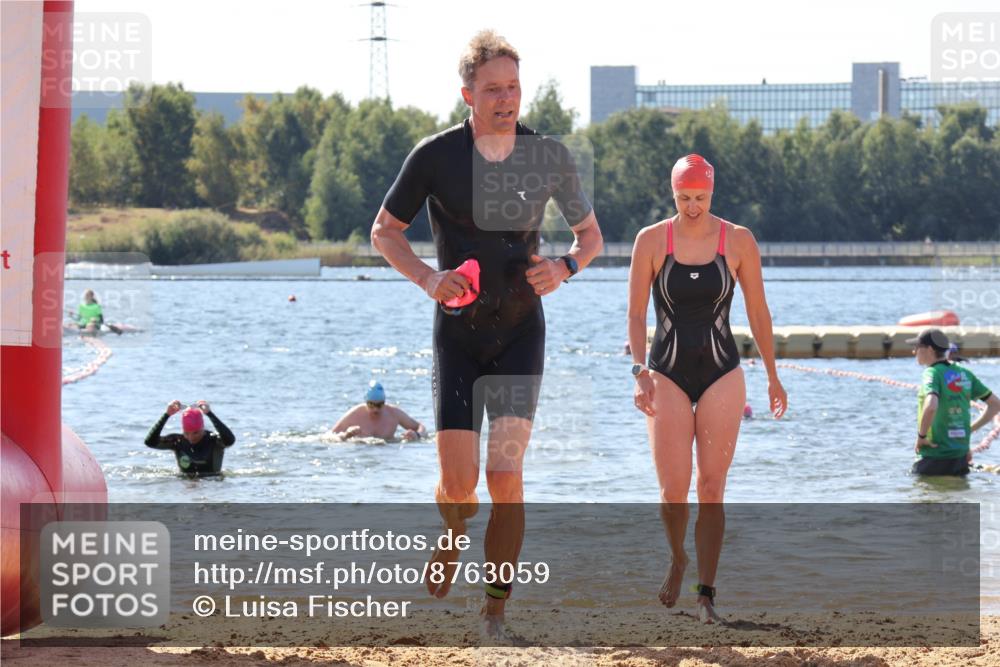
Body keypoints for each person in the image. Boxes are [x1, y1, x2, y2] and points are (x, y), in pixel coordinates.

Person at [370, 29, 603, 640]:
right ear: (468, 94)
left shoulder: (547, 155)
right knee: (460, 486)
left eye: (514, 87)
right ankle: (451, 530)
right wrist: (428, 278)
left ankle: (495, 611)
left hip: (523, 331)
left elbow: (592, 237)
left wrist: (565, 267)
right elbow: (384, 232)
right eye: (493, 88)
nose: (506, 99)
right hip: (459, 336)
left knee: (505, 476)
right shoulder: (436, 156)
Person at [627, 154, 787, 624]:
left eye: (700, 197)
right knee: (673, 491)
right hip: (667, 373)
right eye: (683, 198)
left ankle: (706, 596)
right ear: (671, 193)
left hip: (722, 373)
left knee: (712, 487)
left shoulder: (737, 240)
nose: (692, 206)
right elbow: (636, 314)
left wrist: (773, 375)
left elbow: (758, 311)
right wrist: (639, 370)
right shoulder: (652, 240)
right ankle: (677, 557)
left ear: (711, 193)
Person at [910, 329, 1000, 476]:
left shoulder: (931, 372)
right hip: (960, 455)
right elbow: (996, 404)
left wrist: (921, 437)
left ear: (930, 349)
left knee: (925, 494)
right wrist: (969, 429)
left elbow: (932, 404)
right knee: (957, 495)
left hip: (934, 455)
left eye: (917, 347)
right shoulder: (964, 373)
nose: (914, 352)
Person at [144, 400, 235, 476]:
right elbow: (150, 442)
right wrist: (167, 415)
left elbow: (230, 440)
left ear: (202, 428)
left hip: (212, 485)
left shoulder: (214, 440)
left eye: (196, 433)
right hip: (185, 488)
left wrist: (209, 414)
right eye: (186, 433)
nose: (191, 437)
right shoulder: (177, 441)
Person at [330, 382, 426, 441]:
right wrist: (347, 434)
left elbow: (420, 427)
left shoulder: (393, 413)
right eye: (371, 405)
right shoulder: (356, 413)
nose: (375, 409)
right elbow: (329, 436)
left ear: (384, 402)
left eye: (379, 405)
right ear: (366, 402)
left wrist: (417, 435)